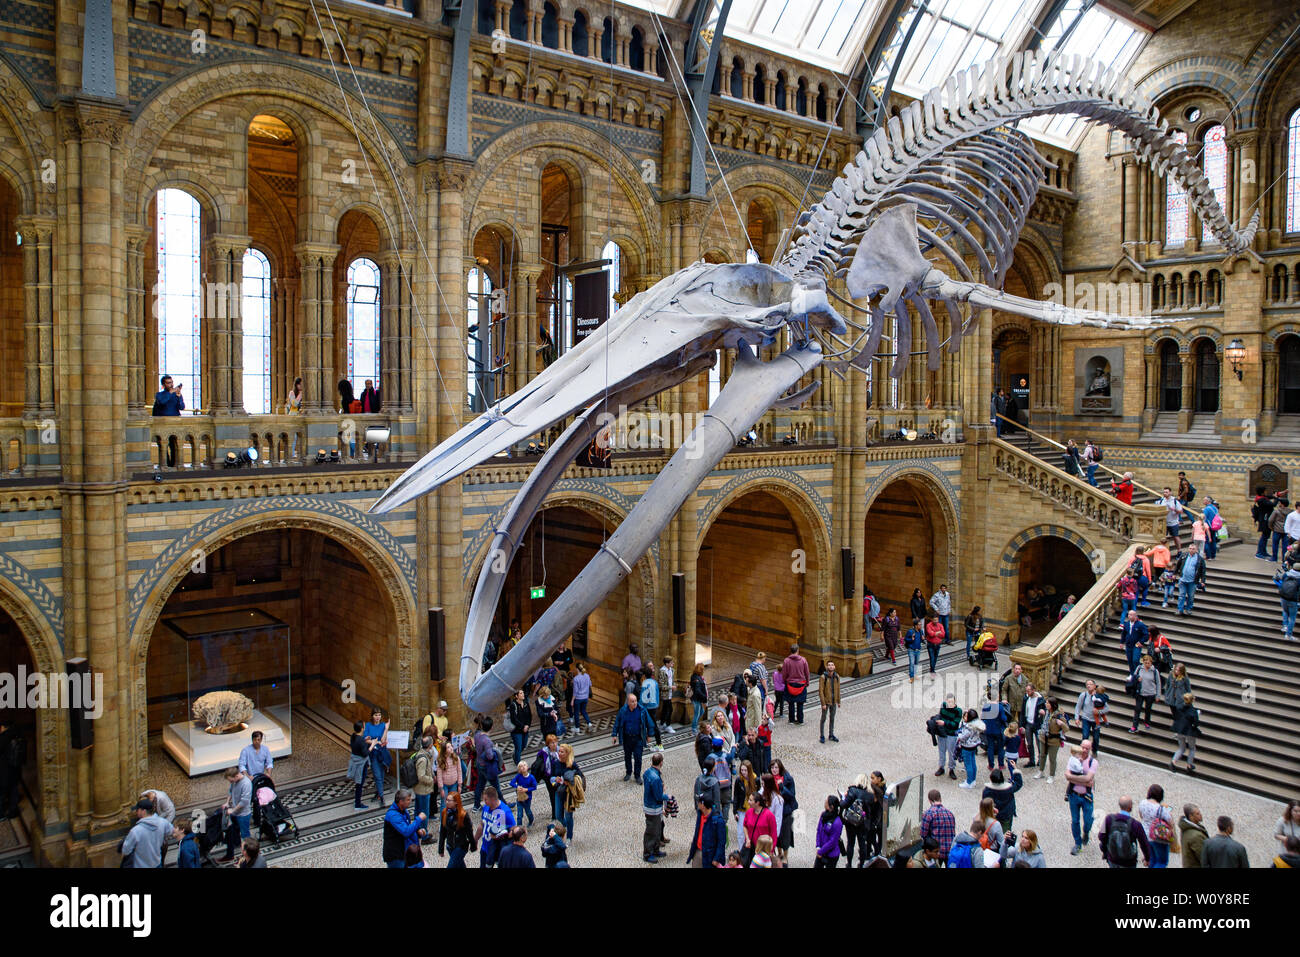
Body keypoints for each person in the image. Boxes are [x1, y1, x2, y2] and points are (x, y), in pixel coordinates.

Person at [1065, 741, 1098, 855]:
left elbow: (1088, 777)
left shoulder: (1093, 762)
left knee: (1088, 820)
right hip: (1074, 795)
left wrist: (1073, 778)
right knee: (1075, 820)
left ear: (1090, 749)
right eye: (1083, 747)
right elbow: (1067, 776)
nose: (1084, 750)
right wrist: (1084, 780)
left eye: (1087, 748)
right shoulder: (1073, 759)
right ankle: (1077, 844)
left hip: (1087, 797)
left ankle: (1086, 832)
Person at [612, 691, 653, 782]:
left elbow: (649, 722)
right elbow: (617, 723)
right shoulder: (623, 711)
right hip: (627, 738)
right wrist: (614, 735)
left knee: (638, 757)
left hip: (638, 738)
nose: (635, 703)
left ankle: (637, 775)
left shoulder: (642, 710)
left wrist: (649, 734)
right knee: (627, 756)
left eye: (635, 701)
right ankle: (628, 772)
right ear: (628, 702)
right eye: (632, 701)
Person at [1099, 796, 1151, 868]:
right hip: (1129, 862)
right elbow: (1144, 844)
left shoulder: (1109, 819)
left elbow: (1101, 836)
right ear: (1130, 806)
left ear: (1119, 805)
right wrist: (1147, 858)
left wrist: (1105, 851)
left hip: (1113, 859)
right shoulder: (1135, 824)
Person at [474, 785, 516, 868]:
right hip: (485, 848)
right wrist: (475, 840)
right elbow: (482, 825)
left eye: (485, 799)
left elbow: (513, 830)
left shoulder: (505, 812)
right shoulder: (486, 807)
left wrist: (502, 836)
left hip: (498, 850)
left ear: (492, 799)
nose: (483, 801)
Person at [119, 798, 166, 868]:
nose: (136, 812)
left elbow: (125, 851)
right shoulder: (161, 824)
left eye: (137, 810)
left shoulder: (136, 831)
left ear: (143, 811)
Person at [1138, 784, 1177, 868]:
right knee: (1162, 862)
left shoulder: (1142, 803)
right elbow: (1171, 823)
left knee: (1152, 859)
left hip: (1145, 835)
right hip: (1158, 837)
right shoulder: (1161, 809)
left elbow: (1141, 816)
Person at [219, 768, 253, 863]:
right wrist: (227, 802)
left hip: (243, 815)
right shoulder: (234, 781)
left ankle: (247, 858)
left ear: (236, 776)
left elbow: (244, 802)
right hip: (234, 813)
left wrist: (233, 810)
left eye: (231, 780)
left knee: (245, 837)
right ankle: (232, 851)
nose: (230, 782)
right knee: (232, 833)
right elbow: (231, 791)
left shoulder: (246, 784)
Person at [438, 790, 475, 867]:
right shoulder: (444, 813)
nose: (447, 802)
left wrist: (473, 845)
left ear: (456, 802)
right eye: (446, 800)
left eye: (449, 800)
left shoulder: (463, 815)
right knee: (459, 865)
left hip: (460, 846)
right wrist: (441, 849)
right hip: (450, 845)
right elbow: (442, 832)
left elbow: (469, 831)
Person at [642, 751, 668, 863]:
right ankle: (648, 854)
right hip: (654, 808)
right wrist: (667, 796)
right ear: (661, 763)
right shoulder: (656, 778)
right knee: (652, 831)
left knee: (657, 829)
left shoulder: (648, 772)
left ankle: (656, 849)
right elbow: (658, 796)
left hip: (649, 805)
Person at [1035, 697, 1068, 782]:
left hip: (1054, 740)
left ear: (1052, 705)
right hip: (1044, 737)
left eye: (1048, 703)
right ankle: (1041, 771)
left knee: (1052, 758)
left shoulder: (1059, 715)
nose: (1046, 704)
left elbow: (1067, 729)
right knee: (1042, 755)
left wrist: (1061, 724)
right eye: (1046, 703)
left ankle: (1051, 775)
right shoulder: (1046, 713)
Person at [1127, 653, 1162, 733]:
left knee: (1148, 709)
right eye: (1145, 663)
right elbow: (1134, 677)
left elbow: (1158, 683)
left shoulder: (1154, 671)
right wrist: (1137, 678)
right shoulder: (1139, 668)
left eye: (1149, 663)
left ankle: (1147, 722)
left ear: (1151, 663)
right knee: (1137, 709)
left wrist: (1158, 695)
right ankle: (1134, 726)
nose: (1147, 665)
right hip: (1140, 692)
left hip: (1150, 693)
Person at [687, 796, 726, 868]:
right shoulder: (700, 814)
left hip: (710, 855)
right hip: (698, 851)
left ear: (703, 805)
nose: (697, 804)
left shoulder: (718, 820)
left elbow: (722, 841)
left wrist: (716, 858)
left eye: (698, 802)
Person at [981, 767, 1023, 831]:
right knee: (1006, 832)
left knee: (992, 831)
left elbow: (985, 802)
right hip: (1006, 814)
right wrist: (1015, 769)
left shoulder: (987, 790)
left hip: (993, 814)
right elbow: (1018, 784)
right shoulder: (1008, 789)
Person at [363, 708, 390, 807]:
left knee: (381, 776)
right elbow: (365, 739)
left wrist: (386, 729)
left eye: (379, 715)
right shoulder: (368, 725)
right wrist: (374, 742)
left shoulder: (383, 725)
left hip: (382, 753)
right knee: (377, 775)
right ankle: (382, 797)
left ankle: (378, 794)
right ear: (372, 716)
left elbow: (383, 740)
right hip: (373, 753)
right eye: (376, 715)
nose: (378, 717)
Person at [413, 735, 438, 839]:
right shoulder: (423, 758)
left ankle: (417, 832)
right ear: (431, 745)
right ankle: (424, 835)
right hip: (423, 790)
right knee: (423, 813)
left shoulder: (424, 754)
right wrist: (431, 780)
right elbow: (421, 776)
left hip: (420, 789)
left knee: (418, 811)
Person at [919, 789, 956, 859]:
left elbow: (923, 834)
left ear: (929, 800)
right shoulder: (950, 814)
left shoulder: (928, 814)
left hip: (936, 852)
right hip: (950, 851)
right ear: (940, 799)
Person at [1170, 692, 1201, 772]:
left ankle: (1173, 761)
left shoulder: (1179, 708)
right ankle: (1189, 765)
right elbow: (1196, 723)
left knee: (1181, 748)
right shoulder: (1193, 711)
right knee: (1192, 748)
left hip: (1180, 730)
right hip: (1189, 732)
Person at [956, 709, 985, 789]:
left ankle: (969, 782)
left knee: (968, 765)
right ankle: (973, 780)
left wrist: (958, 736)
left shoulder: (969, 727)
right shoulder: (978, 725)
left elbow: (963, 737)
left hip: (967, 746)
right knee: (973, 763)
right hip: (974, 745)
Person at [781, 644, 810, 724]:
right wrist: (807, 682)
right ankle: (800, 720)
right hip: (801, 683)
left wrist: (784, 682)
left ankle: (791, 720)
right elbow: (807, 672)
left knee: (791, 703)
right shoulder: (803, 660)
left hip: (790, 684)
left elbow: (784, 673)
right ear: (798, 650)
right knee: (800, 703)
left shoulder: (786, 660)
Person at [936, 693, 962, 778]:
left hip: (951, 734)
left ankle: (951, 769)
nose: (950, 704)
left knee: (951, 753)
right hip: (942, 733)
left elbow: (955, 724)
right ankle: (941, 767)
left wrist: (944, 723)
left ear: (954, 702)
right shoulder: (943, 706)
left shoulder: (958, 711)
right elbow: (940, 715)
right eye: (948, 702)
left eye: (951, 702)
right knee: (941, 751)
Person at [1175, 542, 1205, 615]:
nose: (1191, 550)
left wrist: (1203, 581)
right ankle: (1180, 609)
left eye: (1193, 549)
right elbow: (1178, 565)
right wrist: (1174, 573)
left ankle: (1188, 609)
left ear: (1196, 550)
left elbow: (1203, 571)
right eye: (1190, 548)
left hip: (1192, 581)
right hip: (1183, 579)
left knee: (1191, 596)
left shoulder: (1200, 559)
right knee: (1181, 595)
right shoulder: (1184, 556)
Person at [814, 795, 843, 868]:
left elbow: (832, 842)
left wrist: (821, 851)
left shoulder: (837, 823)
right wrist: (818, 846)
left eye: (826, 802)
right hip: (821, 851)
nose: (825, 802)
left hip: (831, 855)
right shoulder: (823, 815)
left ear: (831, 807)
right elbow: (819, 830)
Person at [1253, 485, 1279, 559]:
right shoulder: (1261, 500)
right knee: (1264, 536)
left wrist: (1275, 495)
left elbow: (1269, 497)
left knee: (1265, 536)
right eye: (1265, 491)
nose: (1266, 492)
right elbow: (1273, 504)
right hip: (1264, 520)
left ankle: (1263, 551)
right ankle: (1260, 552)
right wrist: (1276, 498)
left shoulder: (1261, 497)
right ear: (1262, 492)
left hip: (1265, 519)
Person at [508, 761, 537, 827]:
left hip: (527, 798)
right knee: (519, 814)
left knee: (528, 811)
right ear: (519, 769)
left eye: (524, 765)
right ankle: (519, 827)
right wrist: (517, 786)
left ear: (527, 767)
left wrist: (526, 789)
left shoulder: (531, 777)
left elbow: (534, 787)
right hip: (519, 798)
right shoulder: (518, 776)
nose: (523, 767)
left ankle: (531, 820)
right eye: (521, 766)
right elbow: (511, 783)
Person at [640, 665, 663, 748]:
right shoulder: (654, 682)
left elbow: (643, 697)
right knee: (651, 724)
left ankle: (659, 744)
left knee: (651, 724)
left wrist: (640, 705)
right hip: (654, 705)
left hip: (648, 707)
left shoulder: (645, 683)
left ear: (644, 675)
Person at [1276, 561, 1300, 641]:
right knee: (1292, 618)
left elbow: (1281, 582)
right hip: (1293, 599)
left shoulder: (1287, 574)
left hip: (1283, 597)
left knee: (1285, 611)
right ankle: (1288, 635)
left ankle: (1285, 626)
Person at [818, 659, 841, 743]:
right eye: (829, 665)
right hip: (826, 701)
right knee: (823, 718)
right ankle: (822, 735)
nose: (831, 666)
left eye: (832, 665)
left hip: (833, 701)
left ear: (834, 667)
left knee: (832, 718)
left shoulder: (837, 676)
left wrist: (838, 701)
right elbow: (820, 691)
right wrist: (823, 703)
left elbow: (838, 689)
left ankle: (831, 734)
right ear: (827, 667)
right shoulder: (823, 677)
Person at [656, 656, 675, 731]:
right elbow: (661, 685)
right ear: (667, 663)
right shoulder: (662, 671)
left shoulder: (671, 670)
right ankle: (668, 725)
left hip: (670, 693)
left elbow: (671, 680)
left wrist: (674, 685)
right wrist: (671, 687)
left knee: (665, 709)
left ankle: (662, 723)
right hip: (665, 694)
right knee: (669, 709)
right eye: (671, 662)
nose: (673, 663)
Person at [689, 663, 708, 730]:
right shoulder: (696, 678)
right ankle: (694, 728)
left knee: (701, 711)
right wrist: (704, 697)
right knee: (697, 714)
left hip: (698, 699)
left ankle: (695, 723)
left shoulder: (695, 676)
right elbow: (697, 690)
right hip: (696, 698)